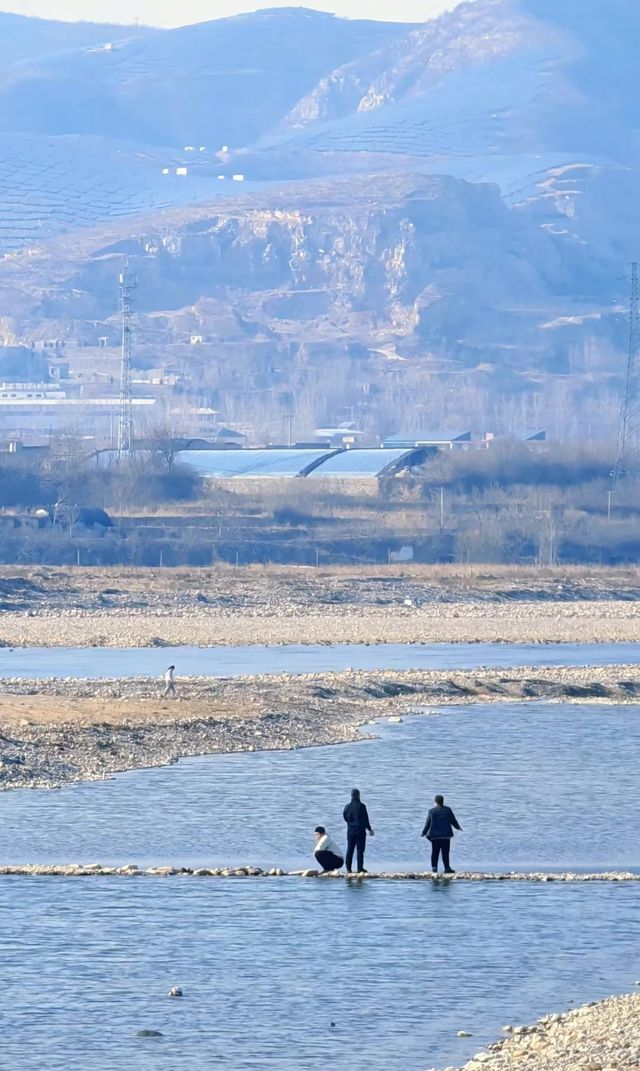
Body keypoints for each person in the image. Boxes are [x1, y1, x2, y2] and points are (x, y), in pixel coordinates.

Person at [421, 794, 462, 874]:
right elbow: (453, 820)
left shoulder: (432, 811)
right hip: (446, 835)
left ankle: (434, 869)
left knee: (435, 852)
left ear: (435, 802)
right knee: (445, 852)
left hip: (435, 836)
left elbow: (427, 823)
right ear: (443, 801)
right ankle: (447, 868)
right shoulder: (448, 810)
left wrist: (424, 832)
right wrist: (458, 827)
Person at [343, 788, 374, 873]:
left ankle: (348, 869)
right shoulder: (362, 806)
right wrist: (369, 829)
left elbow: (345, 818)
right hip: (360, 831)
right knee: (360, 850)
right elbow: (365, 820)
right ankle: (359, 868)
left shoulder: (347, 807)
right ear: (358, 796)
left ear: (351, 796)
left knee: (350, 849)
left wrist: (350, 824)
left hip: (350, 832)